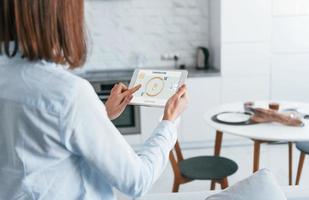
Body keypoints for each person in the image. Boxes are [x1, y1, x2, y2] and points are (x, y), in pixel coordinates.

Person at [0, 0, 188, 200]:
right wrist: (169, 122)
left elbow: (39, 144)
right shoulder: (69, 93)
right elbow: (137, 180)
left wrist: (101, 115)